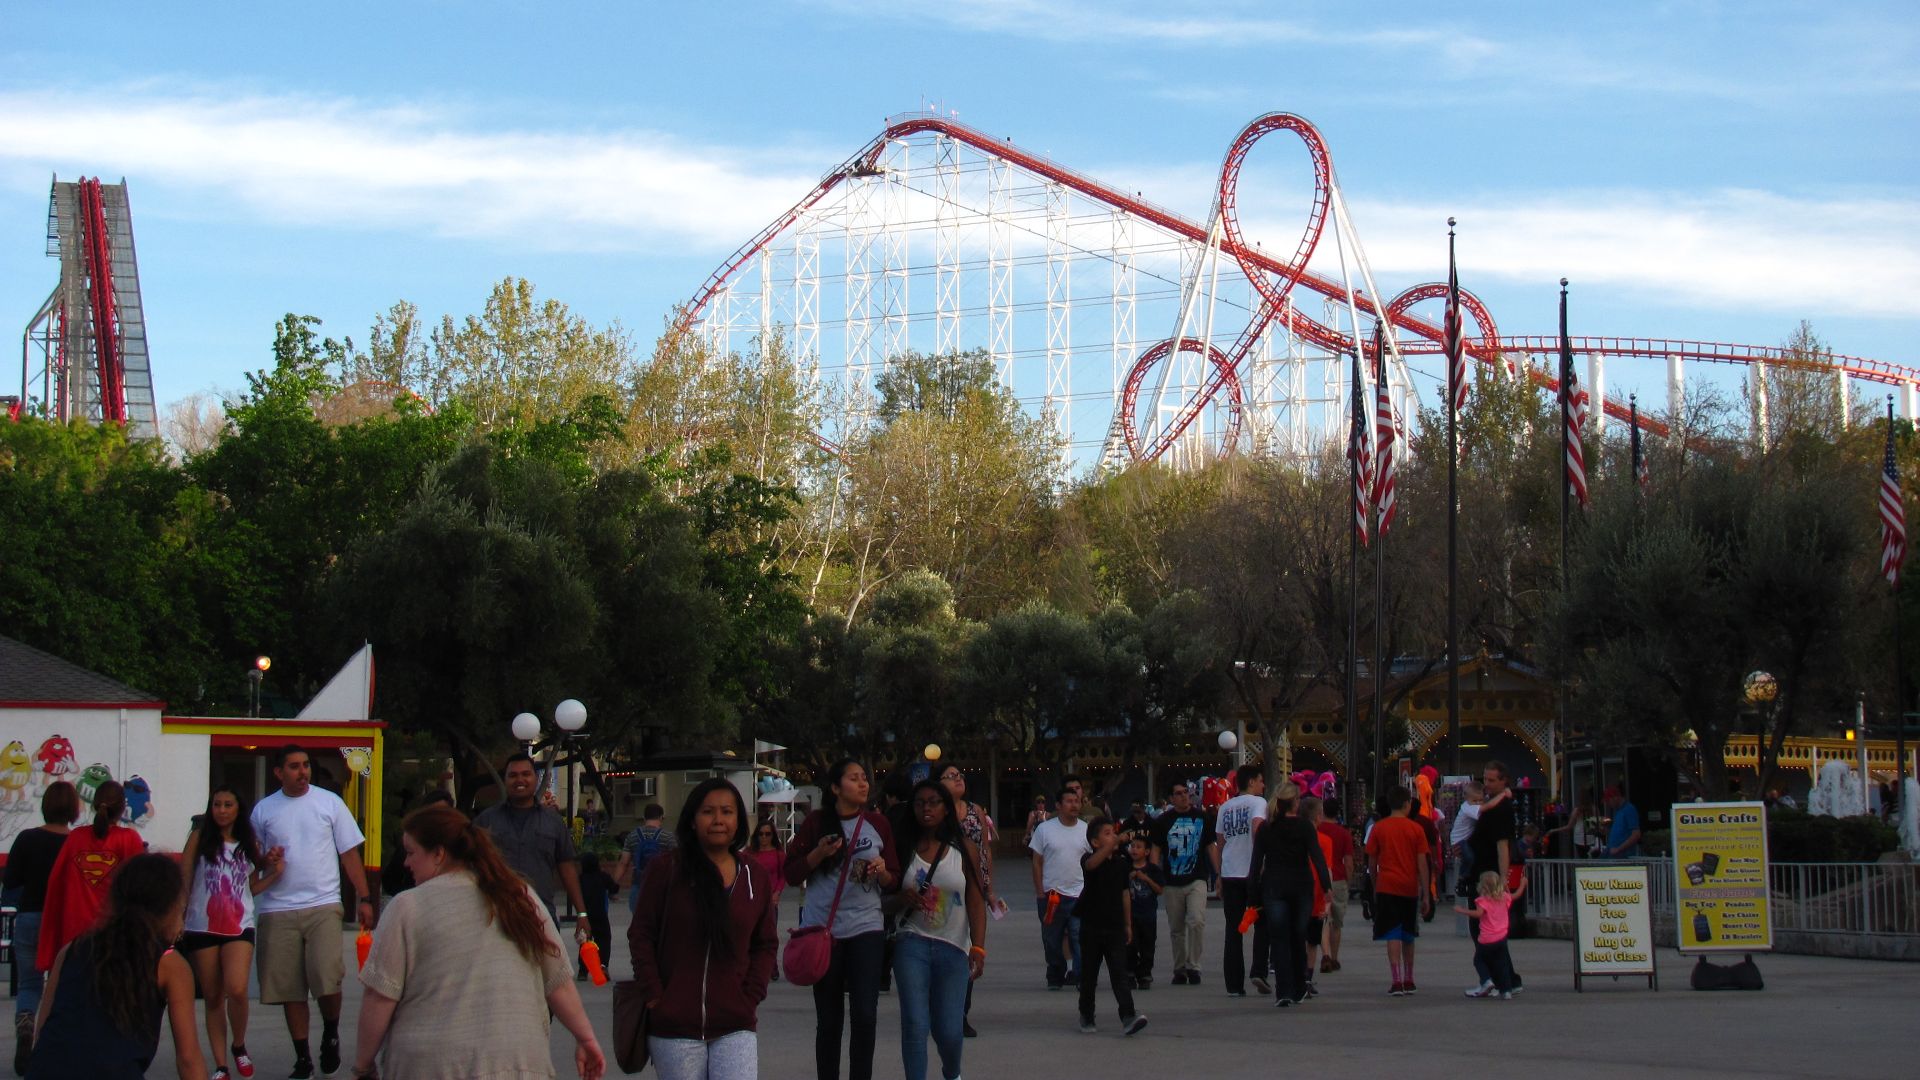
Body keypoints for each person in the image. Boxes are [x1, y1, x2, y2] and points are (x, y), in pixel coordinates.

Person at [352, 805, 605, 1080]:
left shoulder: (406, 907)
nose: (406, 863)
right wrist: (586, 1038)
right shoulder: (519, 896)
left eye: (411, 852)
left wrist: (363, 1065)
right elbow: (559, 982)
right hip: (519, 1062)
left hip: (432, 1065)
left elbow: (380, 997)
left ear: (438, 854)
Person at [629, 778, 776, 1080]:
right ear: (693, 820)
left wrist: (751, 995)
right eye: (708, 811)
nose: (718, 820)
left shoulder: (755, 876)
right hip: (675, 1025)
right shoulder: (666, 869)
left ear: (739, 820)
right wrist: (656, 995)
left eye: (727, 812)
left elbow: (765, 944)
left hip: (736, 1021)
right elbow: (641, 934)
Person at [250, 745, 376, 1080]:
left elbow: (349, 854)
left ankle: (331, 1032)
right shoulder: (264, 810)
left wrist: (364, 898)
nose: (302, 772)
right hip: (278, 907)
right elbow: (253, 857)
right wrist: (266, 859)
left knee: (327, 978)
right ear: (279, 772)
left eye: (305, 765)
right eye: (294, 766)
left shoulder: (329, 803)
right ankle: (302, 1057)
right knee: (290, 988)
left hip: (323, 904)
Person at [27, 853, 204, 1079]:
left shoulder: (71, 949)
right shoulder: (169, 963)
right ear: (169, 908)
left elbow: (43, 1031)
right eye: (181, 909)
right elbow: (188, 1060)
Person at [785, 759, 899, 1080]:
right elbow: (791, 873)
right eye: (854, 778)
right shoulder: (816, 822)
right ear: (835, 788)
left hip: (866, 927)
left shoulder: (878, 823)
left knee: (865, 1015)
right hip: (824, 931)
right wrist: (818, 854)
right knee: (829, 1020)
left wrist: (882, 871)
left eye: (865, 778)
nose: (863, 784)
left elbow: (894, 879)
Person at [182, 788, 282, 1080]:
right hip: (202, 924)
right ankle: (221, 1065)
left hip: (239, 925)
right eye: (217, 804)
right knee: (213, 996)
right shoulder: (199, 838)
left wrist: (275, 874)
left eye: (228, 805)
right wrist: (178, 914)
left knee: (237, 988)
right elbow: (184, 876)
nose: (222, 810)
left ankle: (238, 1045)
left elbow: (250, 888)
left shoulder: (249, 843)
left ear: (239, 809)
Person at [892, 779, 988, 1080]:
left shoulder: (965, 849)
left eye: (934, 802)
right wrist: (900, 899)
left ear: (946, 808)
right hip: (911, 943)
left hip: (954, 947)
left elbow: (976, 900)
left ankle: (952, 1072)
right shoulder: (902, 848)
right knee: (914, 1023)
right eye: (920, 803)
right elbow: (881, 899)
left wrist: (978, 946)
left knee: (949, 1030)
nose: (926, 809)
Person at [4, 781, 79, 1072]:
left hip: (30, 917)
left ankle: (26, 1022)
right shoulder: (76, 842)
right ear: (73, 809)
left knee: (29, 983)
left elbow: (11, 880)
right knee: (61, 984)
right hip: (63, 920)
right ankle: (51, 1044)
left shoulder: (27, 838)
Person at [37, 780, 146, 973]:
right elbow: (140, 890)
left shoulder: (76, 837)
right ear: (122, 808)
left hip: (74, 935)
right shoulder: (129, 838)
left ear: (95, 804)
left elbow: (56, 884)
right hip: (115, 935)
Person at [474, 754, 589, 929]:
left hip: (542, 916)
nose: (520, 780)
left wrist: (581, 913)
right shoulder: (485, 821)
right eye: (513, 775)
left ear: (536, 778)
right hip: (498, 918)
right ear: (505, 780)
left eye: (526, 774)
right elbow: (470, 866)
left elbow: (567, 868)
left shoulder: (553, 821)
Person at [1248, 783, 1330, 1008]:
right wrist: (1326, 886)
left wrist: (1252, 894)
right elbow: (1317, 857)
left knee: (1279, 938)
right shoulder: (1305, 827)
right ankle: (1299, 987)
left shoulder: (1266, 828)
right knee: (1298, 936)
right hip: (1301, 886)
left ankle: (1283, 990)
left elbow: (1256, 863)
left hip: (1274, 886)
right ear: (1295, 802)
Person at [938, 764, 997, 1038]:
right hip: (942, 888)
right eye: (950, 776)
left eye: (959, 775)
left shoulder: (975, 811)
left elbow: (985, 849)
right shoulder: (935, 812)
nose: (958, 779)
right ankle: (941, 1007)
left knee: (969, 946)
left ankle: (961, 1011)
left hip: (970, 887)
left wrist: (988, 886)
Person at [1074, 819, 1148, 1037]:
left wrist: (1128, 924)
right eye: (1107, 834)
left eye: (1113, 832)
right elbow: (1091, 865)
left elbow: (1125, 894)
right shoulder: (1088, 859)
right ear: (1095, 842)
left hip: (1115, 926)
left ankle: (1128, 1016)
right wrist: (1114, 842)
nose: (1113, 836)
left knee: (1119, 974)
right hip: (1091, 926)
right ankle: (1086, 1014)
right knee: (1089, 975)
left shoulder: (1121, 863)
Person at [1364, 787, 1431, 996]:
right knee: (1408, 933)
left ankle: (1396, 980)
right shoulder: (1416, 829)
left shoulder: (1379, 828)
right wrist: (1426, 893)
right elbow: (1422, 863)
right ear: (1406, 804)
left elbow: (1371, 861)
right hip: (1409, 886)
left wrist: (1375, 885)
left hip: (1386, 885)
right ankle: (1409, 978)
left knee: (1392, 933)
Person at [1147, 781, 1214, 986]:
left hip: (1197, 877)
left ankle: (1193, 966)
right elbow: (1156, 850)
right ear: (1171, 798)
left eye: (1186, 792)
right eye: (1179, 793)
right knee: (1176, 928)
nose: (1184, 796)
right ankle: (1179, 968)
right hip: (1172, 880)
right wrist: (1154, 875)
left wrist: (1219, 873)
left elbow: (1210, 846)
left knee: (1196, 920)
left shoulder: (1202, 817)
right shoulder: (1163, 821)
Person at [1212, 763, 1268, 997]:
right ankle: (1259, 970)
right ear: (1252, 782)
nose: (1263, 785)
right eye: (1261, 781)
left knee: (1233, 930)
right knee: (1262, 923)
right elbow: (1257, 828)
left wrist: (1218, 875)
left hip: (1230, 872)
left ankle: (1234, 984)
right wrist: (1261, 861)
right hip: (1252, 873)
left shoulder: (1225, 807)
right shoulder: (1259, 803)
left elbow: (1220, 842)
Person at [1469, 760, 1525, 993]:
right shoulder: (1493, 804)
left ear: (1504, 781)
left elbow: (1503, 847)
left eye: (1492, 780)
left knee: (1485, 931)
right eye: (1485, 779)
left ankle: (1496, 979)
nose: (1487, 784)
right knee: (1491, 931)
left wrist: (1503, 881)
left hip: (1488, 876)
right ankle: (1506, 979)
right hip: (1480, 871)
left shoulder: (1501, 810)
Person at [1028, 785, 1089, 991]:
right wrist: (1040, 892)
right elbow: (1037, 862)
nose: (1074, 805)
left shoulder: (1085, 829)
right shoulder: (1045, 829)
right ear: (1058, 805)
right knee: (1052, 940)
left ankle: (1081, 976)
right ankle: (1055, 972)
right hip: (1051, 894)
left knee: (1079, 937)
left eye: (1076, 801)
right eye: (1069, 801)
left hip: (1079, 894)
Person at [1457, 870, 1522, 999]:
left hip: (1486, 939)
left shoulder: (1482, 900)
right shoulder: (1504, 897)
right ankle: (1506, 991)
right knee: (1502, 964)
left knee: (1479, 960)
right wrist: (1523, 884)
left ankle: (1486, 980)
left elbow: (1478, 914)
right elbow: (1516, 895)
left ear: (1483, 886)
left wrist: (1463, 910)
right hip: (1501, 938)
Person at [615, 803, 678, 926]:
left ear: (644, 818)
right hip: (662, 888)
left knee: (639, 926)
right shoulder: (668, 837)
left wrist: (613, 885)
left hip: (638, 886)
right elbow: (677, 862)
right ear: (661, 817)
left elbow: (623, 863)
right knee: (661, 926)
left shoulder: (632, 836)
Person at [1314, 801, 1354, 974]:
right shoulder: (1343, 834)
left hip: (1318, 878)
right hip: (1338, 879)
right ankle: (1335, 957)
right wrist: (1348, 881)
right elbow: (1349, 862)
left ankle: (1325, 954)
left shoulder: (1317, 830)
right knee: (1336, 923)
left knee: (1323, 919)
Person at [746, 822, 787, 980]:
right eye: (761, 834)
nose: (764, 837)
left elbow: (783, 875)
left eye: (767, 834)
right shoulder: (750, 853)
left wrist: (777, 892)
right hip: (752, 899)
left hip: (770, 900)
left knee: (769, 933)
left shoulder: (778, 854)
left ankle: (772, 966)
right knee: (751, 934)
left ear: (773, 836)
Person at [1125, 834, 1164, 989]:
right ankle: (1130, 972)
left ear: (1147, 851)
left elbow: (1160, 890)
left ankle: (1145, 973)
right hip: (1131, 914)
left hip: (1148, 914)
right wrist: (1129, 878)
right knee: (1131, 945)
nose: (1134, 850)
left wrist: (1146, 879)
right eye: (1132, 846)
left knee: (1148, 945)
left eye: (1138, 847)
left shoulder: (1153, 869)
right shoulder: (1126, 867)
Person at [576, 852, 616, 981]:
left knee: (585, 941)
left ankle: (583, 971)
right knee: (604, 940)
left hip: (585, 915)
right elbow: (614, 888)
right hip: (600, 914)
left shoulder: (580, 879)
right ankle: (603, 966)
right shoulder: (602, 876)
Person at [1604, 787, 1642, 858]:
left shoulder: (1629, 809)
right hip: (1613, 852)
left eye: (1608, 801)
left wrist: (1618, 849)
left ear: (1615, 797)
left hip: (1623, 854)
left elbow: (1636, 835)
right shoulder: (1618, 811)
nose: (1608, 804)